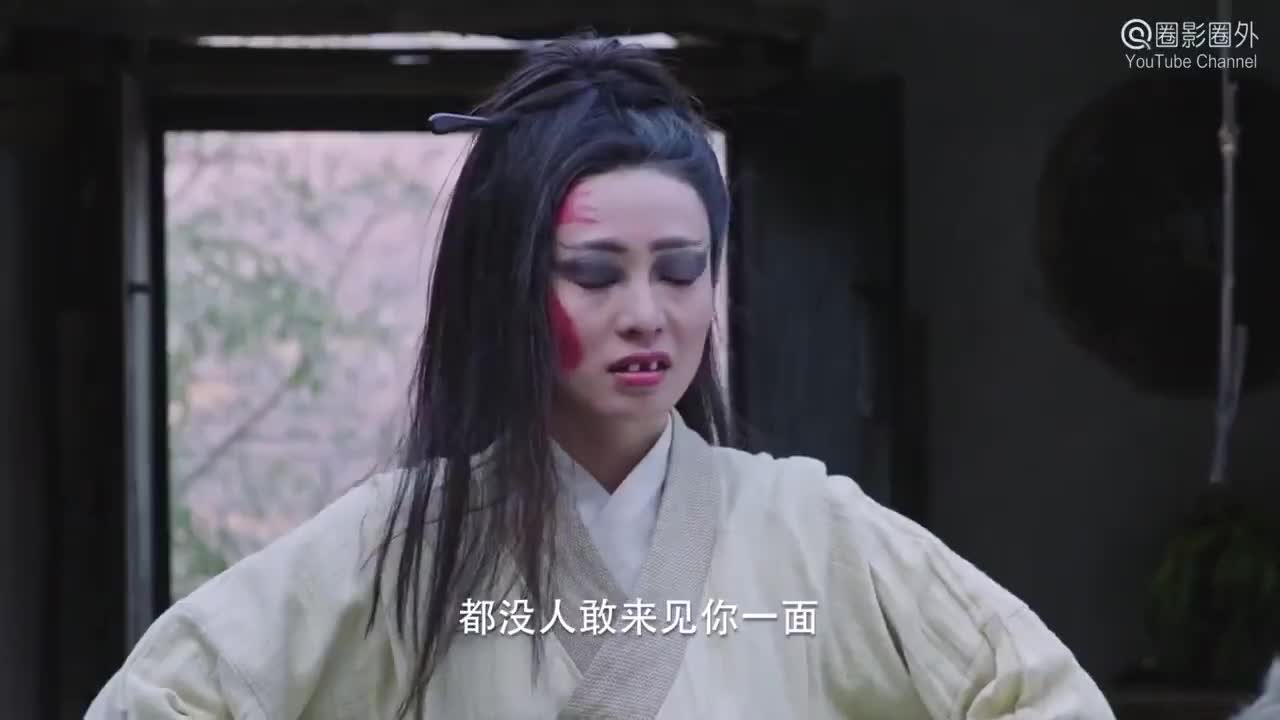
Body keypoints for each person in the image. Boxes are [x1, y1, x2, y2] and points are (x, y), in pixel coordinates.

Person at [87, 36, 1115, 719]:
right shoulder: (406, 545)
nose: (646, 314)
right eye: (592, 274)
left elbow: (1043, 700)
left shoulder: (814, 533)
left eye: (681, 270)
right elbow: (161, 701)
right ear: (510, 285)